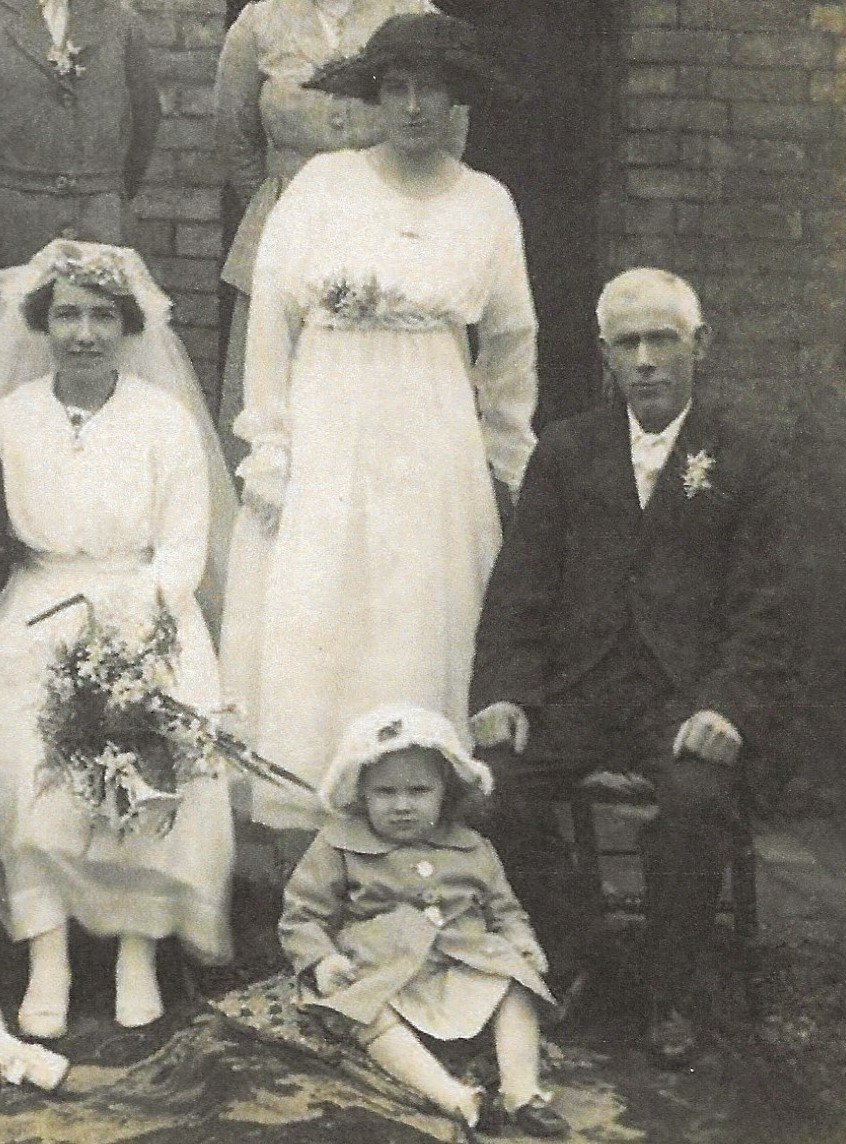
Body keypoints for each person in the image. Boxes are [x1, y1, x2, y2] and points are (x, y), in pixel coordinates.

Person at [220, 13, 537, 836]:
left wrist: (506, 457)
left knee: (413, 608)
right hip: (330, 423)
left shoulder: (486, 204)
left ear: (457, 99)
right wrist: (271, 448)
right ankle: (316, 843)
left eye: (430, 89)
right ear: (374, 97)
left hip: (431, 434)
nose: (412, 107)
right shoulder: (323, 186)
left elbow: (510, 344)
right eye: (395, 88)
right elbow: (271, 330)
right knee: (326, 605)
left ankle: (415, 824)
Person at [470, 268, 787, 1066]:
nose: (645, 359)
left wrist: (727, 710)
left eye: (664, 340)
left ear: (699, 347)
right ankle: (585, 954)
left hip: (684, 700)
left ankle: (668, 991)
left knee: (695, 800)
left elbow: (768, 611)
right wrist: (507, 693)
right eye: (628, 343)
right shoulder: (568, 450)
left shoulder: (745, 460)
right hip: (579, 693)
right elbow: (520, 591)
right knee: (490, 785)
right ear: (604, 354)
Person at [0, 240, 237, 1039]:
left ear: (128, 325)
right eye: (68, 313)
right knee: (28, 768)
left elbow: (182, 546)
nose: (85, 332)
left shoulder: (162, 419)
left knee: (147, 763)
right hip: (38, 602)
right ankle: (49, 954)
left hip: (146, 606)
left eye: (103, 315)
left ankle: (139, 947)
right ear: (44, 322)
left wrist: (130, 630)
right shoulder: (11, 415)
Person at [279, 703, 570, 1139]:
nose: (401, 805)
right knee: (365, 1013)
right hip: (382, 968)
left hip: (463, 961)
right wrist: (322, 960)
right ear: (361, 794)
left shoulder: (471, 847)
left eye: (418, 791)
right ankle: (455, 1097)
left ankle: (522, 1091)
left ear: (445, 793)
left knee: (515, 984)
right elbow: (302, 915)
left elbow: (504, 909)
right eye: (385, 792)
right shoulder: (338, 845)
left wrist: (521, 940)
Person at [214, 0, 467, 471]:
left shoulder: (414, 13)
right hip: (287, 228)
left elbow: (448, 134)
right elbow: (235, 136)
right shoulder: (261, 20)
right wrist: (290, 206)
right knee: (277, 390)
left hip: (393, 228)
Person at [0, 0, 162, 268]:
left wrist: (105, 190)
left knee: (93, 305)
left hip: (98, 218)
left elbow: (146, 116)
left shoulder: (121, 22)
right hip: (13, 218)